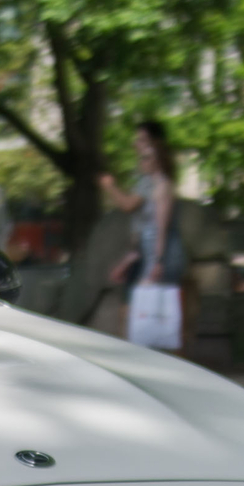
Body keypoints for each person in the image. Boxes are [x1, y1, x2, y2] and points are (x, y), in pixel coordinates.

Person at [100, 120, 185, 350]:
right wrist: (129, 260)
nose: (141, 161)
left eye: (146, 157)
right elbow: (144, 230)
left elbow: (160, 227)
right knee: (137, 312)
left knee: (149, 312)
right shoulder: (151, 182)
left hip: (160, 256)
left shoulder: (161, 185)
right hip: (148, 254)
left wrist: (157, 261)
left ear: (157, 158)